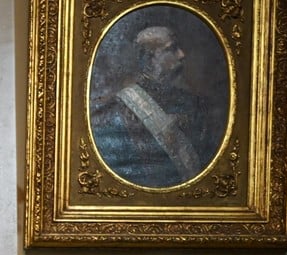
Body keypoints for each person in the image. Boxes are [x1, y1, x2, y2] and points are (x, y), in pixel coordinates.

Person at [89, 25, 225, 187]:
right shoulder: (119, 109)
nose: (182, 55)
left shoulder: (193, 103)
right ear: (149, 57)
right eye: (172, 49)